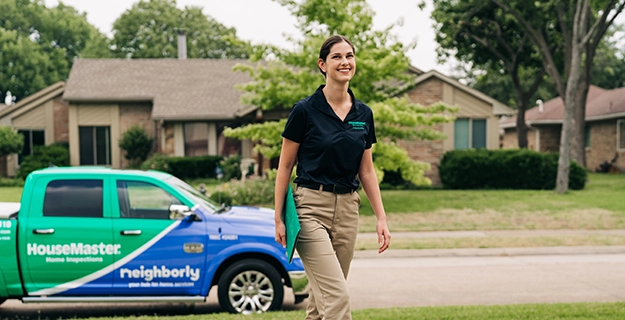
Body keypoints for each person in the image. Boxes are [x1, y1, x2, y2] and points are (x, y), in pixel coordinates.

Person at [274, 35, 391, 320]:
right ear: (322, 65)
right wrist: (278, 217)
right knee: (337, 297)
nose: (345, 62)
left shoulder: (364, 113)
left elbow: (366, 170)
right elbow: (285, 166)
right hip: (310, 208)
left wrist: (381, 218)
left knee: (321, 299)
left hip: (348, 209)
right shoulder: (305, 111)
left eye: (349, 56)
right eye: (337, 57)